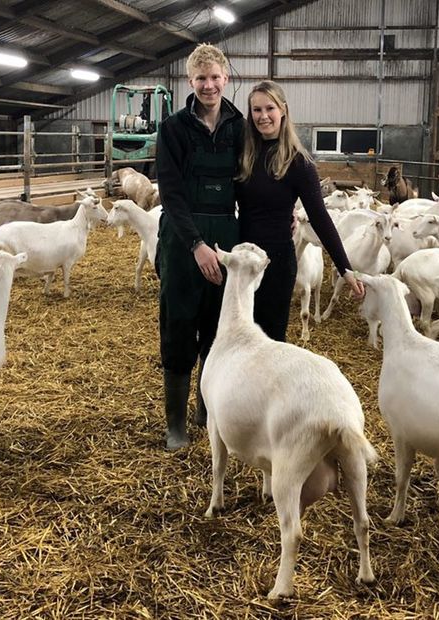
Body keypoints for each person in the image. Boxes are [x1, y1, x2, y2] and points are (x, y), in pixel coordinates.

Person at [154, 44, 243, 450]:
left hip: (226, 234)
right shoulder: (173, 128)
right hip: (182, 238)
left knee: (216, 328)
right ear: (190, 81)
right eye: (201, 78)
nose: (209, 85)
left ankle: (207, 411)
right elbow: (170, 192)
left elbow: (251, 184)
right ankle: (175, 423)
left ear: (226, 78)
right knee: (178, 326)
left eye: (215, 77)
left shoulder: (240, 127)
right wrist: (196, 245)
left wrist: (283, 213)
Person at [234, 80, 365, 343]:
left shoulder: (298, 163)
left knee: (269, 339)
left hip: (277, 262)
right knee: (240, 335)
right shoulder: (243, 154)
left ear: (283, 110)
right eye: (256, 110)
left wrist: (344, 267)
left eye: (269, 108)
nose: (263, 116)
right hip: (244, 260)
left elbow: (319, 216)